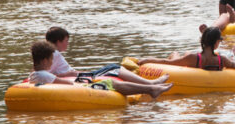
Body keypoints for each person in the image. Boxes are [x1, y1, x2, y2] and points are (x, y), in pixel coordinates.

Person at [29, 40, 173, 99]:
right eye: (51, 59)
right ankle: (151, 89)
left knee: (110, 79)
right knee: (111, 82)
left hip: (75, 86)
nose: (52, 62)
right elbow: (66, 83)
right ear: (44, 60)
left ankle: (151, 87)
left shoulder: (35, 75)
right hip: (79, 88)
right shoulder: (44, 75)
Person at [43, 26, 174, 85]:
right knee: (114, 68)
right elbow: (44, 73)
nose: (67, 44)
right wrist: (64, 76)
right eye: (66, 41)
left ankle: (149, 84)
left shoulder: (51, 53)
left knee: (113, 67)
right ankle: (150, 83)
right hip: (77, 78)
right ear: (58, 41)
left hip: (77, 75)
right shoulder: (53, 53)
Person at [138, 26, 235, 75]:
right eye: (220, 41)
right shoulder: (222, 60)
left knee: (175, 55)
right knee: (177, 56)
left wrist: (145, 60)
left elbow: (166, 62)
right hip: (203, 67)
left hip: (191, 62)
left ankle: (175, 52)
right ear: (216, 43)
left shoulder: (194, 58)